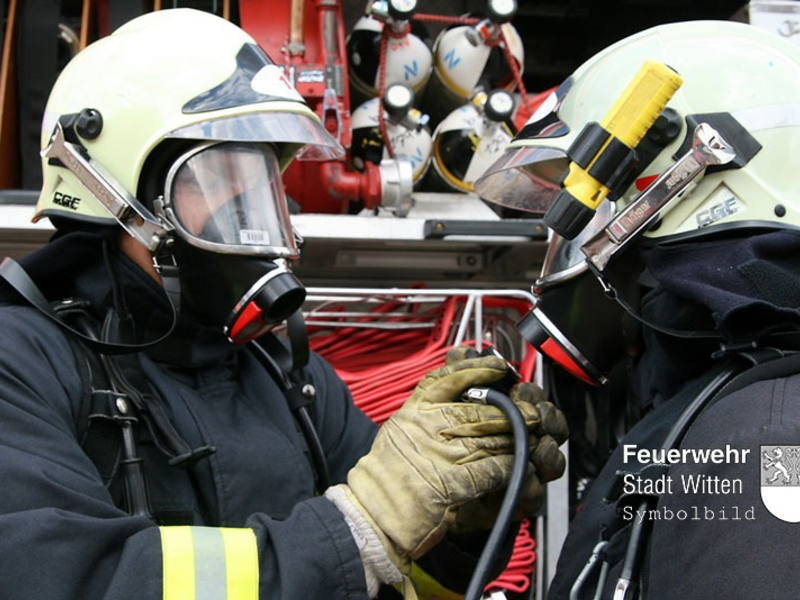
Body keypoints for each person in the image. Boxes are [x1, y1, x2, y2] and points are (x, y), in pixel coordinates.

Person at [0, 8, 569, 600]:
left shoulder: (288, 375)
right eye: (219, 179)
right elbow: (68, 580)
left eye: (260, 189)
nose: (251, 223)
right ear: (110, 191)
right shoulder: (19, 366)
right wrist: (357, 531)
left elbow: (403, 577)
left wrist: (459, 524)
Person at [474, 18, 800, 600]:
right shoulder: (727, 410)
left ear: (686, 183)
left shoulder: (769, 443)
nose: (565, 266)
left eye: (591, 218)